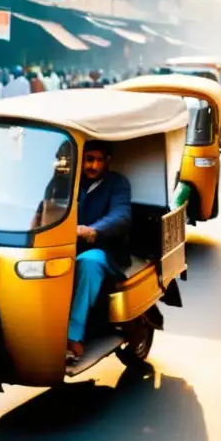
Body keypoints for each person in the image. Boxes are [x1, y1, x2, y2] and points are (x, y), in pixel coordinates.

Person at [67, 140, 132, 364]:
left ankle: (73, 337)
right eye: (88, 159)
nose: (92, 166)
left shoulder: (118, 184)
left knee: (88, 262)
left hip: (104, 250)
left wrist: (93, 231)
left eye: (98, 160)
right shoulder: (67, 182)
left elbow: (121, 215)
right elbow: (44, 207)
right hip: (64, 246)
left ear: (107, 162)